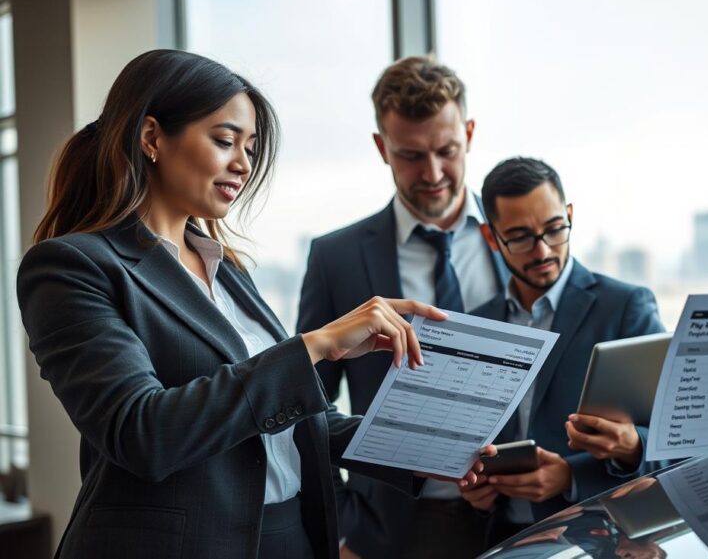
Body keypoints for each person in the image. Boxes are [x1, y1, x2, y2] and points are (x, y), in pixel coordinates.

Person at [16, 49, 489, 559]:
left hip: (290, 538)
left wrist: (417, 452)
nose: (243, 164)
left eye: (251, 146)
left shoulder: (229, 270)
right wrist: (315, 346)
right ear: (151, 137)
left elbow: (287, 421)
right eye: (225, 141)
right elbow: (142, 431)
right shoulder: (72, 267)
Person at [297, 56, 507, 559]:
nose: (432, 173)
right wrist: (341, 530)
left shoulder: (519, 239)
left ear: (470, 133)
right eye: (411, 155)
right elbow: (307, 410)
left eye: (447, 151)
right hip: (383, 534)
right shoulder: (336, 258)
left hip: (515, 519)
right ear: (381, 147)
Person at [460, 157, 668, 544]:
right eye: (520, 237)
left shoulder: (625, 306)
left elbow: (674, 441)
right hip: (500, 541)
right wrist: (476, 490)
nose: (542, 251)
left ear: (569, 214)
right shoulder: (476, 326)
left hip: (601, 539)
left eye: (555, 229)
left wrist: (573, 476)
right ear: (492, 238)